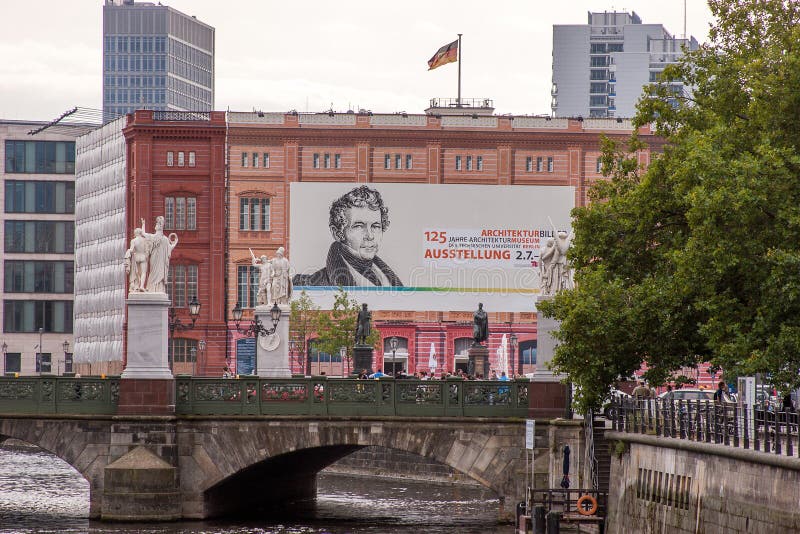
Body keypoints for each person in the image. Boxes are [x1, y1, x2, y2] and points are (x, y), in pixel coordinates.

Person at [292, 185, 403, 287]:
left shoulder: (388, 278)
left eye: (375, 226)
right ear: (338, 233)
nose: (370, 236)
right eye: (359, 226)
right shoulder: (311, 284)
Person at [141, 216, 178, 293]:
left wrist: (143, 224)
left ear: (159, 227)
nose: (156, 225)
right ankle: (154, 289)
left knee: (156, 272)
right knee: (154, 272)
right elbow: (170, 248)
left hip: (157, 259)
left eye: (157, 224)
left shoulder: (159, 238)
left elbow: (143, 233)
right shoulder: (163, 238)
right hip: (156, 259)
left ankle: (155, 289)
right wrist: (175, 243)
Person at [125, 227, 150, 292]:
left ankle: (137, 285)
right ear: (140, 233)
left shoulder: (133, 241)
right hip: (143, 257)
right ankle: (141, 286)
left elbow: (132, 249)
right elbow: (147, 250)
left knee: (137, 273)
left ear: (136, 233)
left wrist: (128, 251)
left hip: (136, 257)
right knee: (143, 272)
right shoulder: (144, 240)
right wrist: (147, 257)